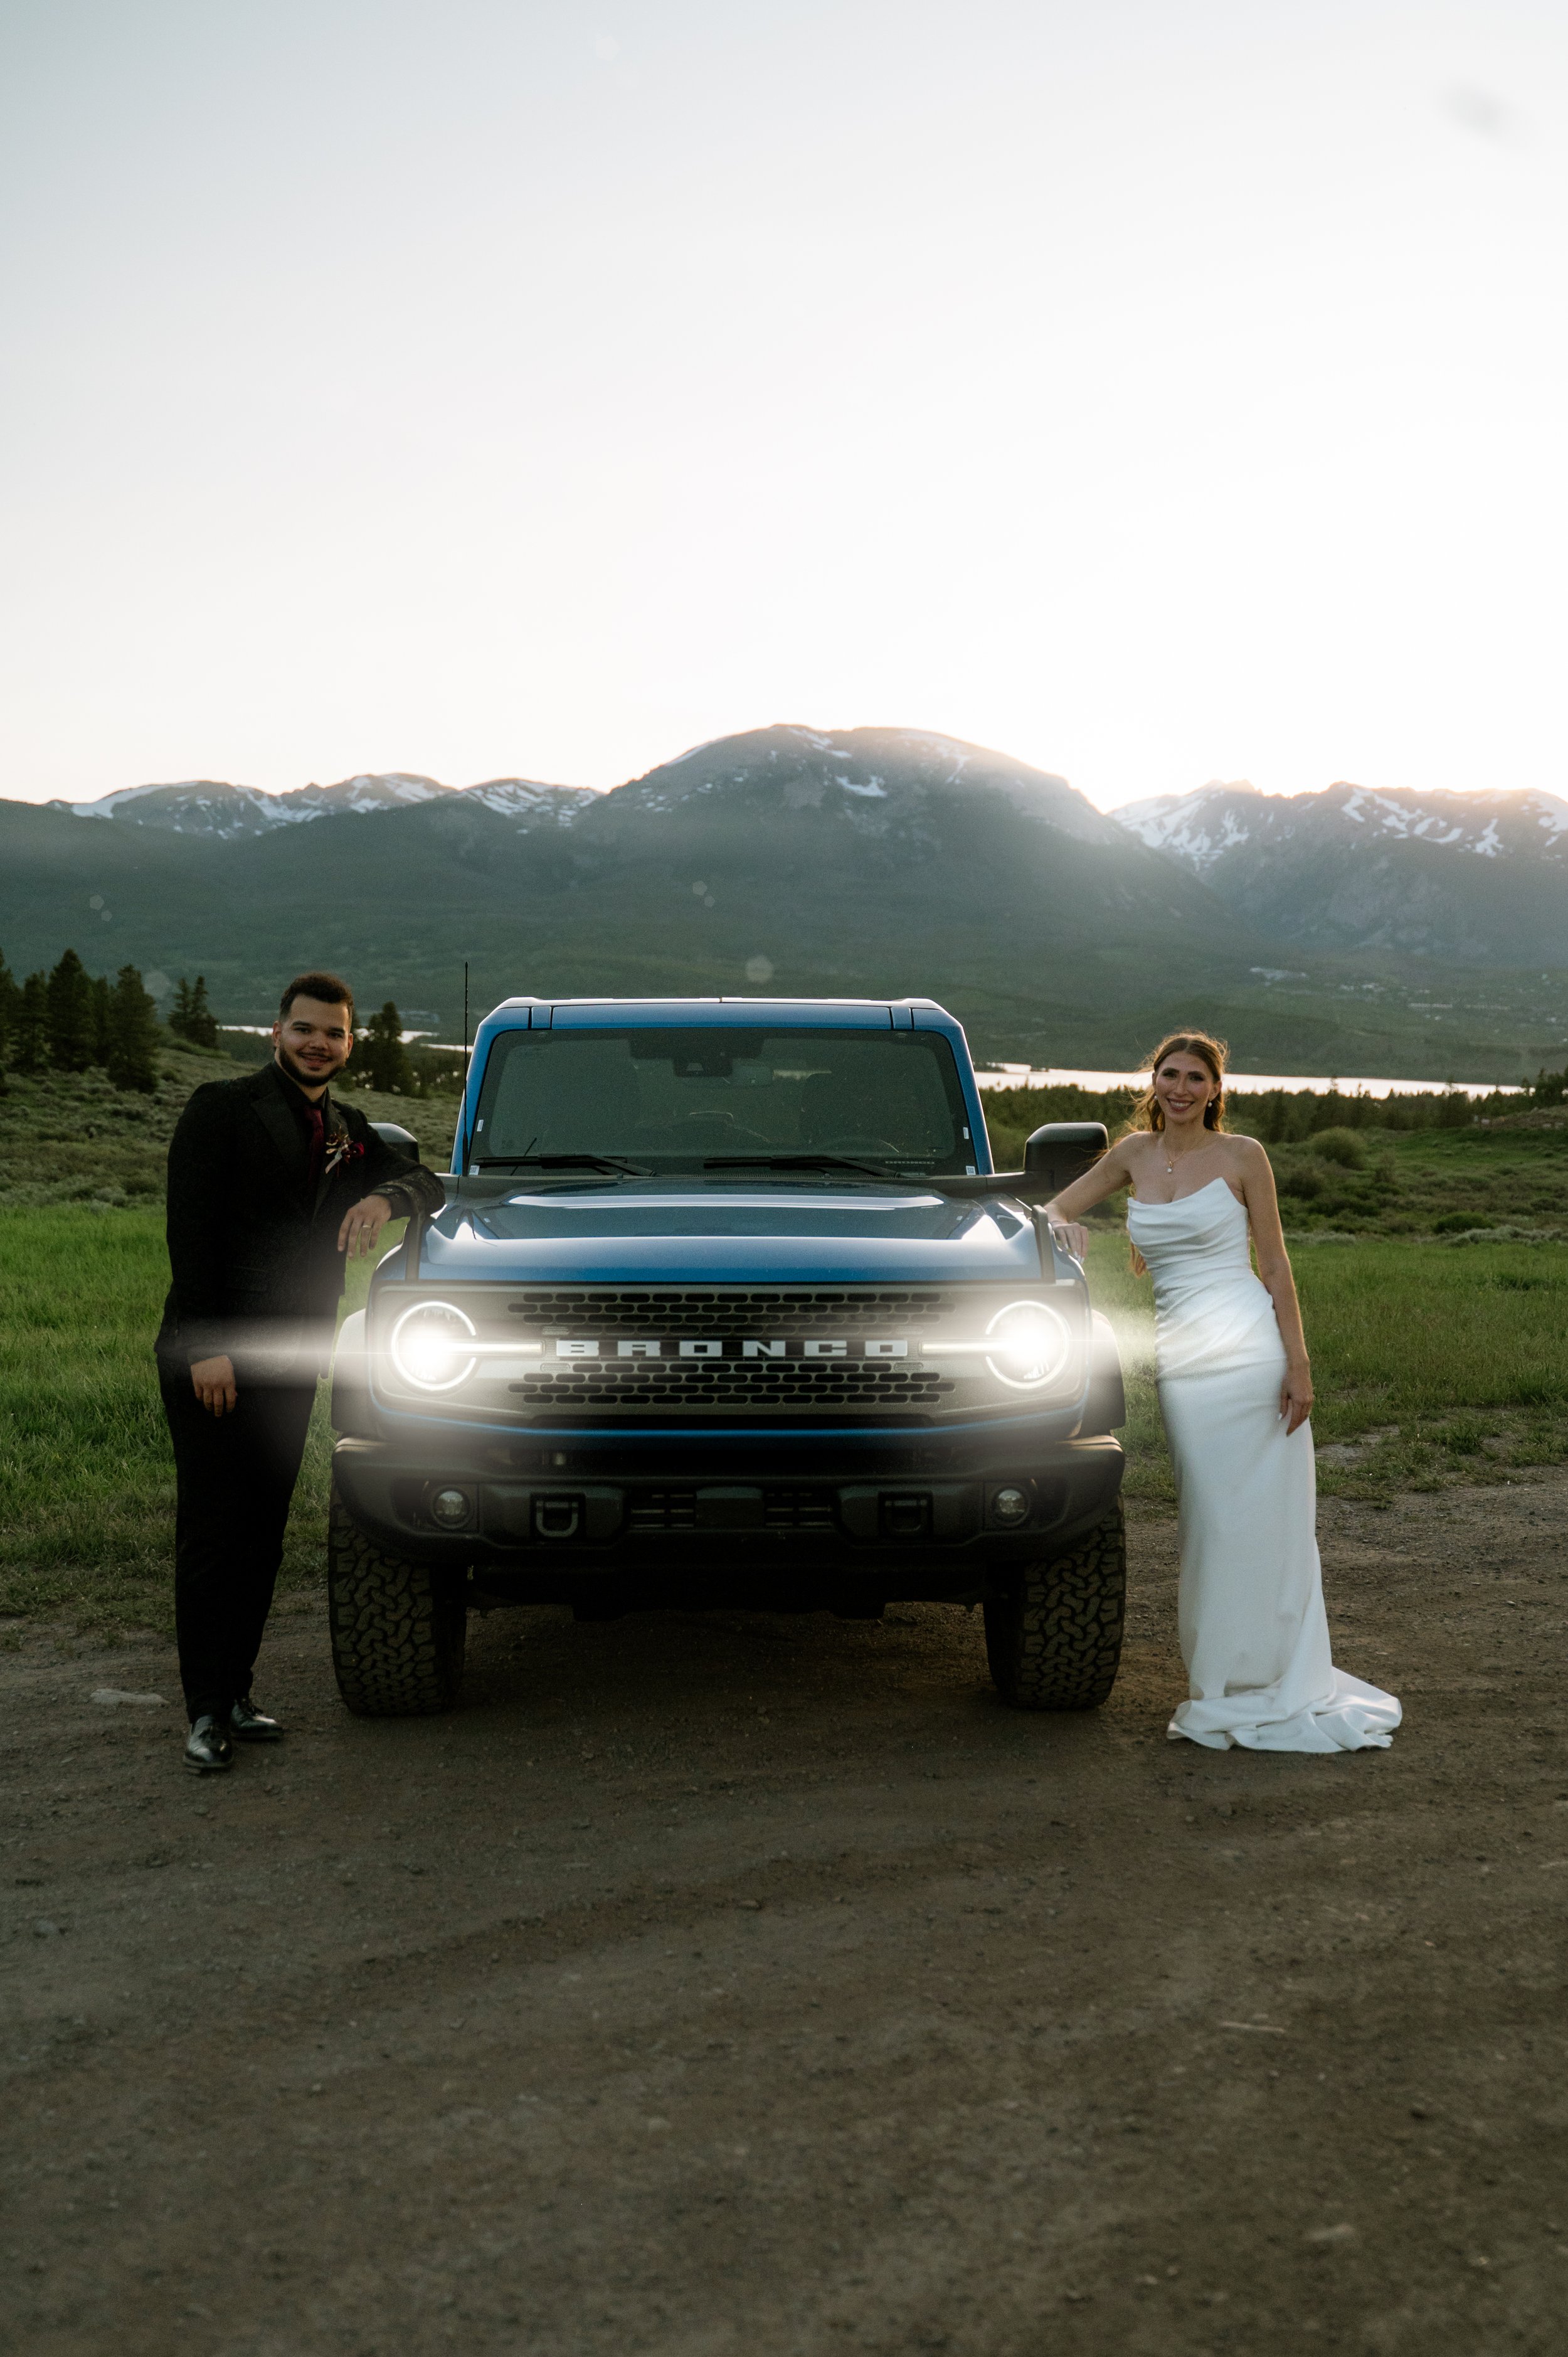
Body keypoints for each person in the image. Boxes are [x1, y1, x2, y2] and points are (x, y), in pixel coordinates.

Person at [1042, 1031, 1400, 1752]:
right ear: (1154, 1082)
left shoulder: (1244, 1156)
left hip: (1248, 1350)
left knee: (1264, 1516)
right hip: (1184, 1363)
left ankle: (1275, 1673)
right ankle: (1222, 1674)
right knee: (1209, 1517)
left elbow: (1273, 1264)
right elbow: (1052, 1210)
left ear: (1214, 1089)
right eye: (1169, 1074)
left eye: (1195, 1077)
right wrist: (1063, 1232)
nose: (1180, 1087)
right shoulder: (1131, 1155)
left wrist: (1297, 1364)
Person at [156, 971, 445, 1775]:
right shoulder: (220, 1110)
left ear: (349, 1045)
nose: (320, 1043)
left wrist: (383, 1200)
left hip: (298, 1355)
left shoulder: (348, 1129)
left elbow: (427, 1182)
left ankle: (240, 1695)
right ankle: (205, 1711)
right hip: (217, 1355)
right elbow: (191, 1234)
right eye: (305, 1029)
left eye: (335, 1033)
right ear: (275, 1032)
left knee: (262, 1532)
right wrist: (209, 1343)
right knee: (214, 1533)